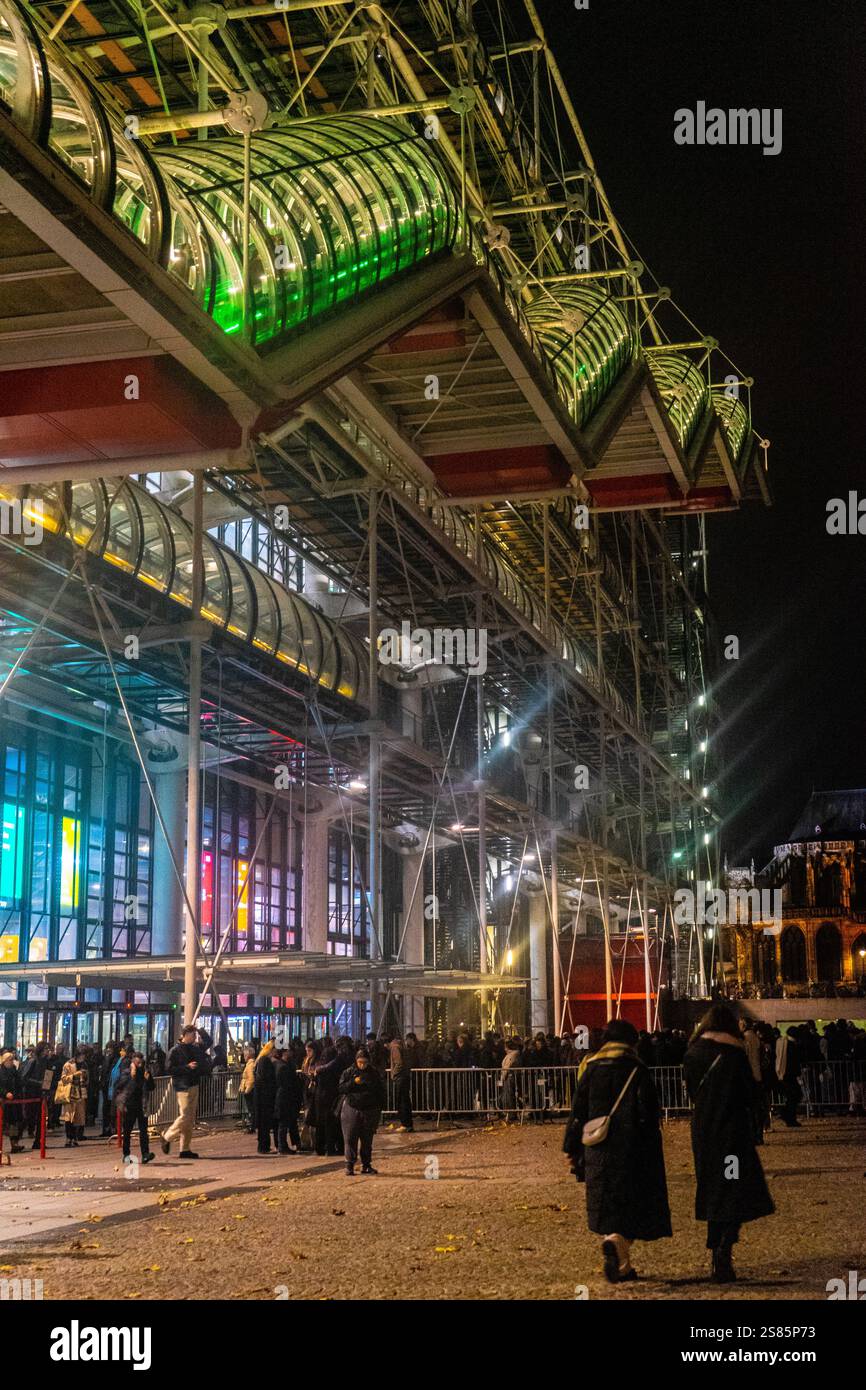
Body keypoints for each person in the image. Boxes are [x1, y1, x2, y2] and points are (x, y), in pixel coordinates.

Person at [563, 1018, 671, 1283]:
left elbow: (578, 1110)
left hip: (597, 1145)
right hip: (631, 1146)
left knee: (606, 1202)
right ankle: (616, 1243)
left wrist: (571, 1147)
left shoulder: (592, 1067)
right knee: (632, 1203)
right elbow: (648, 1111)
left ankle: (622, 1264)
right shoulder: (637, 1069)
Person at [683, 1004, 775, 1283]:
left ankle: (716, 1248)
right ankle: (724, 1247)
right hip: (732, 1134)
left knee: (713, 1188)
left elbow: (692, 1091)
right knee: (733, 1187)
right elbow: (748, 1093)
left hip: (704, 1133)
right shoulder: (734, 1054)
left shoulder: (693, 1053)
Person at [160, 1025, 212, 1158]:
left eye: (195, 1035)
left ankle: (185, 1148)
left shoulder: (195, 1048)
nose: (195, 1038)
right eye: (193, 1035)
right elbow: (170, 1069)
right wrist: (187, 1067)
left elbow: (209, 1042)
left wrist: (201, 1031)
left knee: (189, 1118)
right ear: (185, 1035)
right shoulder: (175, 1050)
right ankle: (167, 1136)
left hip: (193, 1083)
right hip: (183, 1086)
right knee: (185, 1115)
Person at [338, 1046, 386, 1175]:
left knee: (367, 1139)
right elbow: (341, 1088)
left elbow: (380, 1091)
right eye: (360, 1062)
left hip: (369, 1109)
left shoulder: (374, 1073)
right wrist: (353, 1082)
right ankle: (349, 1165)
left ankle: (366, 1164)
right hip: (352, 1108)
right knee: (350, 1137)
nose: (362, 1065)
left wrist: (379, 1107)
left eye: (365, 1062)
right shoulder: (349, 1072)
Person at [114, 1052, 155, 1165]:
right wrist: (132, 1076)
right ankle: (126, 1155)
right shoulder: (127, 1072)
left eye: (141, 1062)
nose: (140, 1065)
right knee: (127, 1131)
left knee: (143, 1130)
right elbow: (122, 1087)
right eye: (137, 1063)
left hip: (142, 1104)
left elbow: (151, 1087)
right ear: (133, 1062)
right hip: (129, 1104)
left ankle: (145, 1154)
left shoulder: (145, 1072)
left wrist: (148, 1079)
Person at [273, 1048, 301, 1153]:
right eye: (288, 1051)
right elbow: (288, 1083)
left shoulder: (280, 1065)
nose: (290, 1053)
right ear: (284, 1053)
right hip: (285, 1098)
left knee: (286, 1122)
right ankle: (282, 1146)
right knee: (283, 1123)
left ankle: (288, 1144)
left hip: (283, 1097)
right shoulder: (283, 1067)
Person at [55, 1058, 87, 1147]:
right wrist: (74, 1075)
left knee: (78, 1117)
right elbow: (63, 1079)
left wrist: (84, 1076)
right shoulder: (68, 1065)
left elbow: (86, 1080)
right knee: (69, 1117)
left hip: (80, 1095)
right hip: (69, 1094)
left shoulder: (84, 1064)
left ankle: (75, 1138)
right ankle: (69, 1138)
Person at [253, 1040, 278, 1153]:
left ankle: (264, 1145)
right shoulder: (265, 1061)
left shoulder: (261, 1060)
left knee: (264, 1122)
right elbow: (266, 1078)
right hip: (264, 1097)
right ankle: (263, 1146)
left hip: (262, 1095)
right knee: (264, 1122)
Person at [775, 1025, 802, 1127]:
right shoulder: (792, 1046)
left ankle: (787, 1115)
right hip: (789, 1075)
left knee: (792, 1096)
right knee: (794, 1096)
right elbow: (794, 1061)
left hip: (783, 1074)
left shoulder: (782, 1043)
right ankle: (788, 1116)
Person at [0, 1049, 24, 1152]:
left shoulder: (14, 1070)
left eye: (12, 1059)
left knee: (19, 1121)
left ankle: (15, 1143)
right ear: (4, 1061)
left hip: (16, 1100)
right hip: (6, 1101)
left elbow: (19, 1083)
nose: (11, 1061)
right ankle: (14, 1144)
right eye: (10, 1059)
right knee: (10, 1123)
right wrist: (5, 1093)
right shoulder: (1, 1071)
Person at [389, 1033, 413, 1133]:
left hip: (400, 1077)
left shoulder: (395, 1047)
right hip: (405, 1076)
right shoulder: (402, 1046)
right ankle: (408, 1124)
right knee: (405, 1101)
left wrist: (393, 1074)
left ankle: (405, 1124)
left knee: (402, 1101)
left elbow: (398, 1063)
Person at [239, 1045, 256, 1133]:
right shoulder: (251, 1064)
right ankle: (252, 1125)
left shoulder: (250, 1065)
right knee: (251, 1109)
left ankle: (252, 1126)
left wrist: (247, 1090)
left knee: (251, 1109)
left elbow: (251, 1079)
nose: (244, 1057)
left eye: (245, 1055)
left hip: (249, 1090)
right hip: (249, 1089)